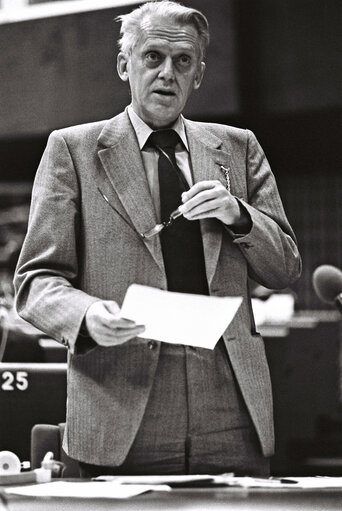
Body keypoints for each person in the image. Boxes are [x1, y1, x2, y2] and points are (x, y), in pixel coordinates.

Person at [14, 1, 301, 477]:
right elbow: (36, 281)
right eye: (153, 57)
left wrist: (239, 213)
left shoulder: (238, 147)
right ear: (125, 64)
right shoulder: (73, 150)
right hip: (119, 403)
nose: (168, 72)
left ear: (199, 74)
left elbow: (285, 268)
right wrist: (86, 315)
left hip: (231, 408)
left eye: (183, 61)